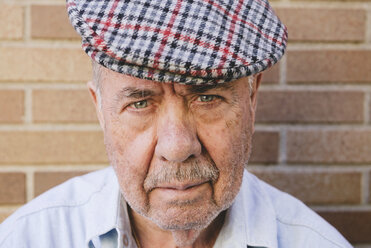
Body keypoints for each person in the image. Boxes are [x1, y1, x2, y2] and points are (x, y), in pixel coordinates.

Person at [0, 0, 352, 247]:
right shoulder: (28, 239)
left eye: (207, 97)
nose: (178, 147)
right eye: (140, 103)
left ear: (252, 97)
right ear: (100, 109)